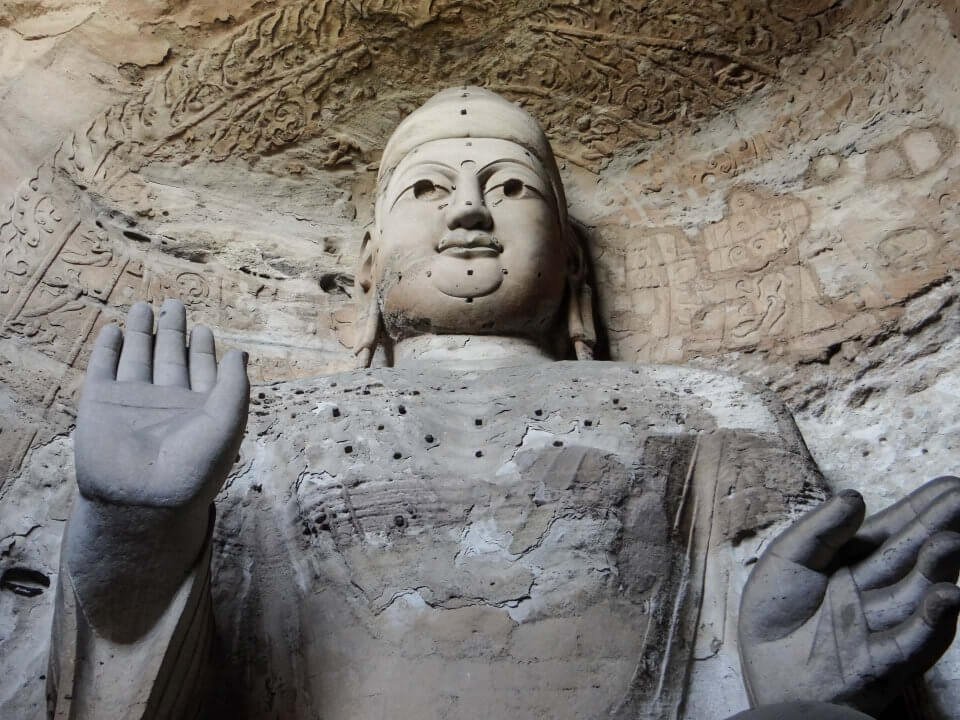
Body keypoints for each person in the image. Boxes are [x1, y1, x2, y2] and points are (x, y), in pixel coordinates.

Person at [48, 88, 960, 720]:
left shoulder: (703, 408)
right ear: (367, 261)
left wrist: (795, 687)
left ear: (569, 259)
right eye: (428, 190)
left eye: (512, 188)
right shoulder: (255, 424)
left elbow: (791, 635)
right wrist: (134, 530)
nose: (471, 213)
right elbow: (133, 674)